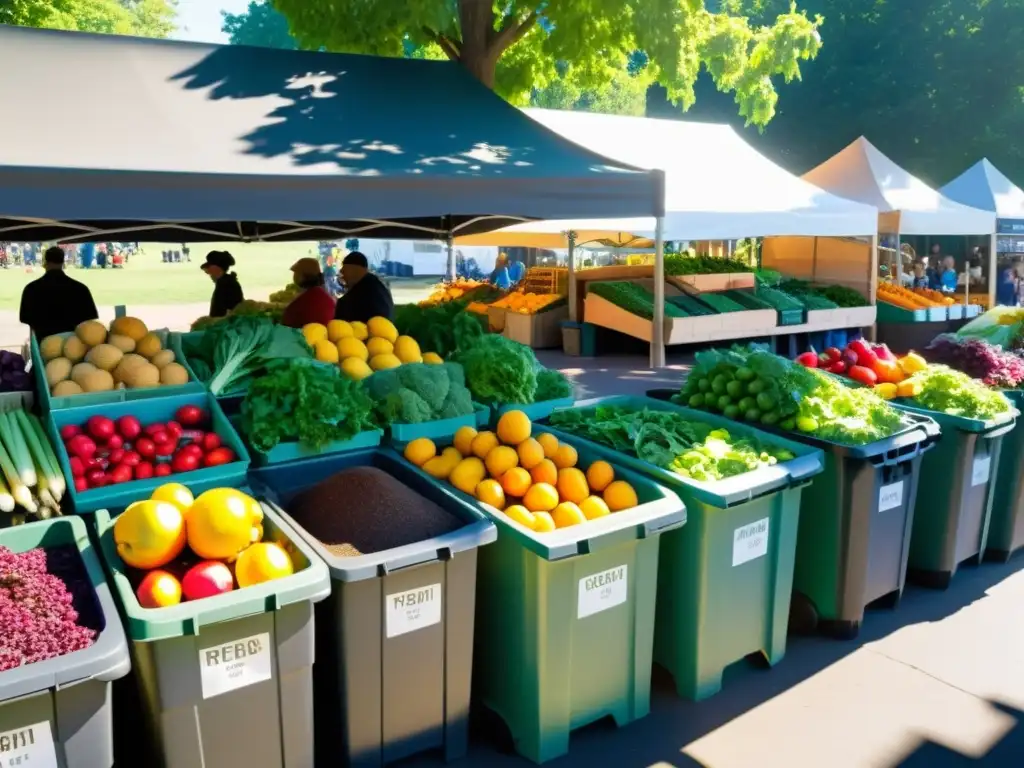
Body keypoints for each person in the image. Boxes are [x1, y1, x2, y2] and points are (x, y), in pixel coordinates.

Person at [19, 246, 99, 338]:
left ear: (45, 262)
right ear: (62, 262)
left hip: (42, 343)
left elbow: (24, 318)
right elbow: (91, 318)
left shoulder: (31, 289)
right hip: (74, 345)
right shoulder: (81, 289)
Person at [334, 251, 393, 322]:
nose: (341, 271)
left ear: (355, 269)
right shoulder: (377, 286)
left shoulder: (351, 299)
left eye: (344, 267)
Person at [281, 258, 336, 328]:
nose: (294, 276)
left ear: (303, 276)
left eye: (296, 273)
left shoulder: (303, 301)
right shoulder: (325, 295)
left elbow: (287, 322)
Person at [201, 250, 244, 317]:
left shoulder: (227, 285)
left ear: (216, 268)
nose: (208, 272)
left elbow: (230, 313)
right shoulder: (225, 282)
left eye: (210, 268)